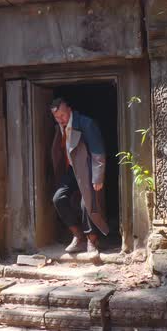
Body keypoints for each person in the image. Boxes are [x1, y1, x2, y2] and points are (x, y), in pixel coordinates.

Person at [50, 97, 109, 253]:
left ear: (69, 110)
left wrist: (97, 177)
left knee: (86, 203)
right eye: (56, 117)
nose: (60, 120)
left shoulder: (85, 123)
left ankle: (92, 240)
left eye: (62, 115)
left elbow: (98, 151)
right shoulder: (59, 127)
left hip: (87, 169)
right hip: (72, 170)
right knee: (58, 198)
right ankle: (78, 236)